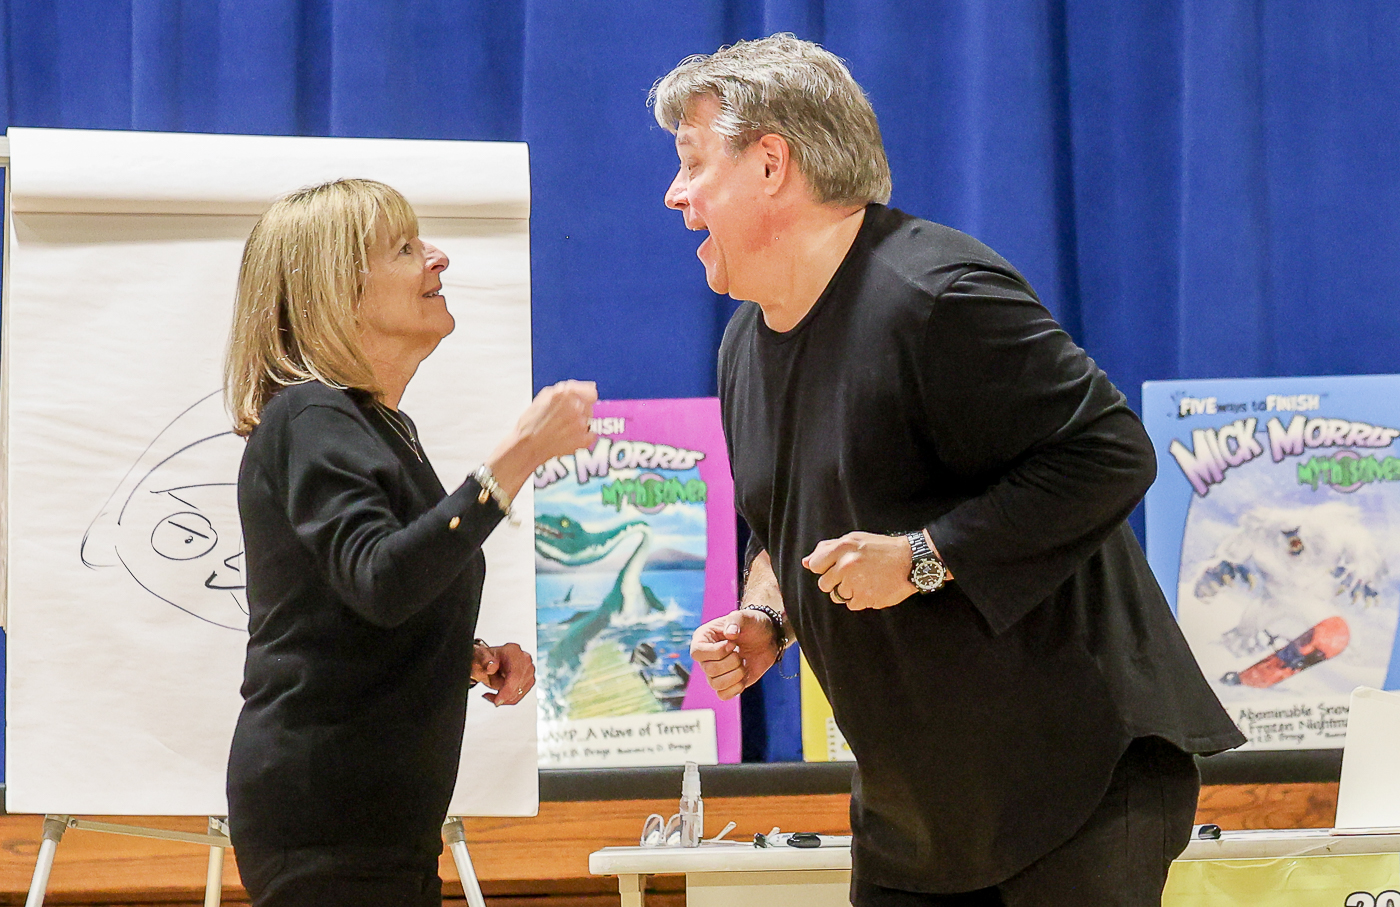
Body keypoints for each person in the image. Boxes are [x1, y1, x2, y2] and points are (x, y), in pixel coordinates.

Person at [655, 35, 1244, 906]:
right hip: (919, 816)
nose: (676, 194)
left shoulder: (935, 295)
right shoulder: (745, 341)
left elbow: (1112, 452)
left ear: (771, 163)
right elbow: (786, 522)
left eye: (693, 161)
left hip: (1076, 781)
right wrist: (768, 615)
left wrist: (921, 557)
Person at [223, 178, 596, 906]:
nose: (438, 258)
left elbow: (359, 603)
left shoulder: (376, 428)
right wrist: (518, 454)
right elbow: (382, 579)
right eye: (404, 248)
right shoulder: (308, 415)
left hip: (376, 825)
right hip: (326, 821)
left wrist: (461, 651)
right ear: (337, 290)